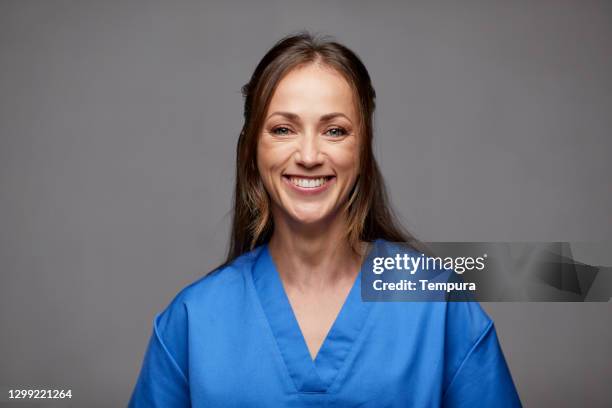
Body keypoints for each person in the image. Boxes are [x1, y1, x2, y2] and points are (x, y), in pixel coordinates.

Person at [128, 31, 522, 407]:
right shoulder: (192, 320)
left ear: (363, 150)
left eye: (335, 131)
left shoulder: (439, 304)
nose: (310, 155)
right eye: (283, 129)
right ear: (253, 150)